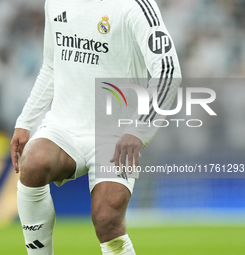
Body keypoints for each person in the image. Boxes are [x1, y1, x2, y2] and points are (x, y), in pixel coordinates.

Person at [11, 0, 181, 254]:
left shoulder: (136, 6)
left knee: (107, 220)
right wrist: (25, 121)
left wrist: (138, 129)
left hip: (114, 134)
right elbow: (51, 65)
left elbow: (168, 72)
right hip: (63, 126)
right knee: (33, 162)